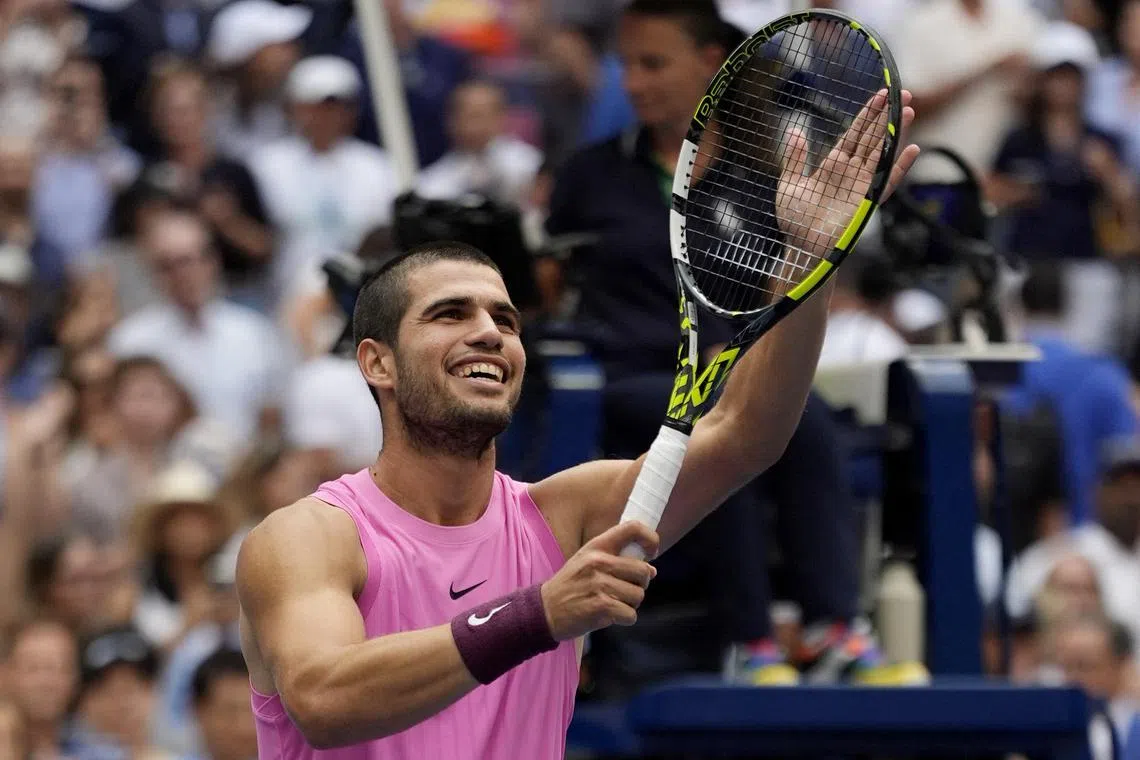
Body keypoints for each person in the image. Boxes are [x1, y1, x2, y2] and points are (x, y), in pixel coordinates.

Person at [236, 73, 918, 760]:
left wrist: (811, 261)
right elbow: (325, 699)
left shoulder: (563, 516)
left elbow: (747, 432)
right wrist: (538, 614)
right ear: (376, 363)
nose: (488, 332)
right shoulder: (307, 538)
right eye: (450, 314)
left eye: (504, 319)